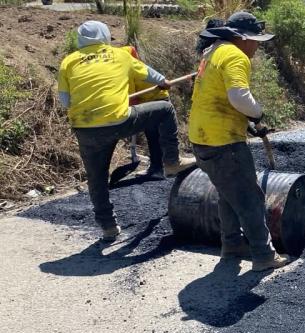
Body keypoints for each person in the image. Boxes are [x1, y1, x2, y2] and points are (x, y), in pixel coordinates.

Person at [57, 21, 195, 242]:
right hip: (118, 120)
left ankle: (108, 227)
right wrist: (164, 83)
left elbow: (64, 101)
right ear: (105, 36)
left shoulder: (68, 62)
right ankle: (172, 161)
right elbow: (153, 76)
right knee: (165, 109)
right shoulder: (120, 55)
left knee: (97, 178)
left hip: (85, 128)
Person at [189, 12, 288, 272]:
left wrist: (245, 121)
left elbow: (218, 97)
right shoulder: (235, 56)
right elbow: (239, 97)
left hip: (201, 138)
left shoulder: (213, 51)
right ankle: (263, 255)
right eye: (255, 41)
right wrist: (257, 113)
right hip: (223, 142)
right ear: (242, 38)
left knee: (227, 193)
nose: (256, 47)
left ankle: (232, 244)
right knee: (249, 197)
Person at [123, 44, 170, 179]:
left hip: (155, 101)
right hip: (154, 100)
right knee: (156, 136)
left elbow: (132, 99)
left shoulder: (128, 71)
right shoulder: (132, 65)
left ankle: (159, 169)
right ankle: (162, 166)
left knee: (154, 136)